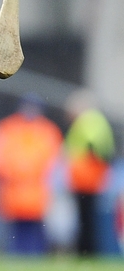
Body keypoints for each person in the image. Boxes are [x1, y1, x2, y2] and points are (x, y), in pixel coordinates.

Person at [0, 93, 63, 255]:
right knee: (17, 236)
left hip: (37, 193)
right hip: (14, 192)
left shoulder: (47, 130)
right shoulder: (8, 128)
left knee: (36, 234)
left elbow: (54, 162)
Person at [64, 89, 116, 256]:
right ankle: (87, 251)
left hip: (87, 180)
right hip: (89, 179)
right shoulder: (95, 120)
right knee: (88, 219)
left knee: (86, 220)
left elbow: (93, 147)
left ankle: (86, 252)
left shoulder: (88, 120)